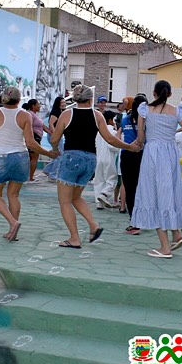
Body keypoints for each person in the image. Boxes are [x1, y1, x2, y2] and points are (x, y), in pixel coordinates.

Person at [131, 80, 182, 258]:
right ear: (169, 94)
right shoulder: (177, 111)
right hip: (170, 154)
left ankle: (165, 247)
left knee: (154, 196)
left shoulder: (145, 109)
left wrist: (135, 145)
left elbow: (140, 137)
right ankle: (176, 234)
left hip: (153, 154)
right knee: (168, 194)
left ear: (154, 93)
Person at [49, 84, 138, 248]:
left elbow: (54, 139)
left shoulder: (67, 114)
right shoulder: (97, 115)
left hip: (71, 159)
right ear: (91, 99)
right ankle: (93, 225)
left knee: (65, 201)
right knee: (76, 197)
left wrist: (55, 150)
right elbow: (110, 139)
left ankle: (74, 238)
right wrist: (129, 146)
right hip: (90, 160)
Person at [0, 86, 57, 241]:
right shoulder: (25, 115)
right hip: (20, 156)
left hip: (2, 156)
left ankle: (12, 223)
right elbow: (31, 143)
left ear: (2, 98)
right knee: (13, 195)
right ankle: (13, 231)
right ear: (19, 100)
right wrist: (49, 153)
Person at [121, 94, 147, 234]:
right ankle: (145, 220)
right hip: (144, 155)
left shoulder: (126, 120)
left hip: (128, 154)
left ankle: (134, 223)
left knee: (131, 189)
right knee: (143, 190)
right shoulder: (148, 121)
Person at [93, 109, 120, 209]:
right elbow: (113, 147)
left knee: (99, 180)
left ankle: (98, 202)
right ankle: (104, 194)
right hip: (109, 159)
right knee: (112, 180)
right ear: (110, 120)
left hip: (99, 158)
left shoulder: (99, 132)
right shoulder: (113, 132)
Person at [23, 99, 46, 182]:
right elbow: (28, 126)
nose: (39, 106)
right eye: (38, 104)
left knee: (31, 158)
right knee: (34, 157)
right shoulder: (30, 114)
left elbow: (43, 127)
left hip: (36, 137)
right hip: (34, 137)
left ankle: (29, 176)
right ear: (33, 106)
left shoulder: (34, 115)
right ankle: (30, 177)